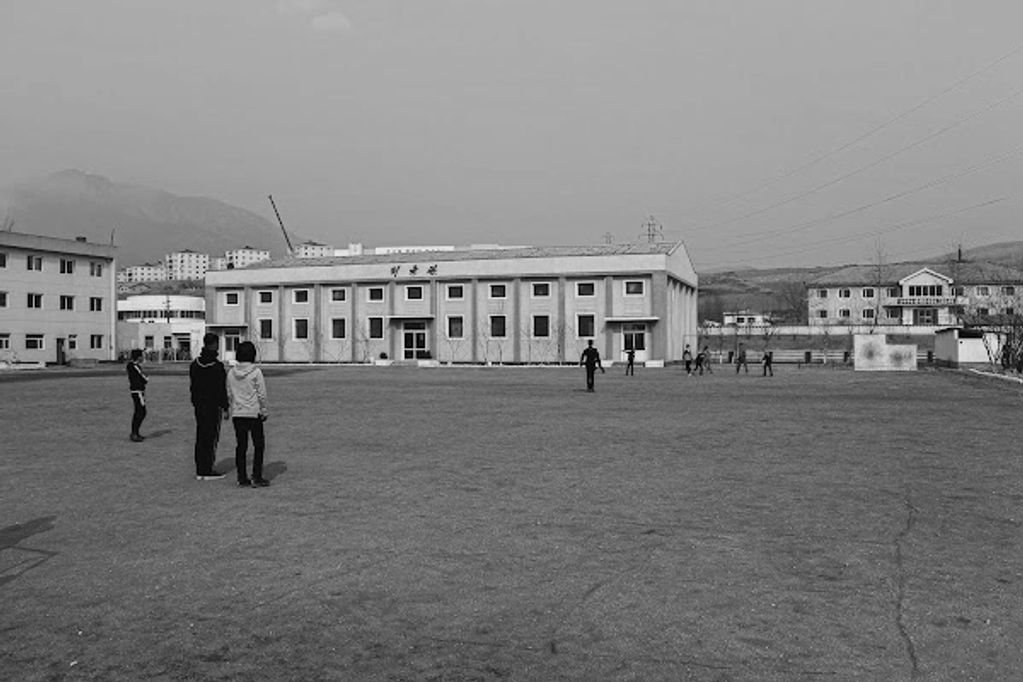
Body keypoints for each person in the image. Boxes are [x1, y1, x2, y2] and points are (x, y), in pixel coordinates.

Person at [227, 341, 270, 487]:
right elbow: (262, 394)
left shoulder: (231, 373)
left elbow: (229, 394)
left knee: (241, 446)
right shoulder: (256, 372)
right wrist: (264, 410)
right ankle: (256, 476)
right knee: (258, 445)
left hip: (238, 413)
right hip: (253, 412)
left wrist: (228, 410)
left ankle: (242, 477)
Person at [189, 333, 228, 481]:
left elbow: (193, 387)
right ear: (215, 344)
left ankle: (200, 467)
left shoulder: (195, 365)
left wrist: (195, 401)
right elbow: (221, 389)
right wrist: (225, 406)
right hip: (212, 407)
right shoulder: (217, 367)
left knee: (201, 435)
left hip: (199, 406)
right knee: (211, 436)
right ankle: (207, 469)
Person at [126, 349, 148, 442]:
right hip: (137, 391)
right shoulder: (134, 366)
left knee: (139, 411)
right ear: (138, 357)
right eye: (141, 356)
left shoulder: (133, 366)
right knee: (141, 411)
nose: (143, 358)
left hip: (138, 391)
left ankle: (135, 432)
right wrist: (146, 379)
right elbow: (143, 378)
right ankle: (134, 433)